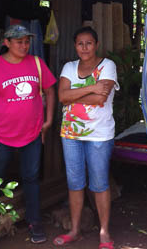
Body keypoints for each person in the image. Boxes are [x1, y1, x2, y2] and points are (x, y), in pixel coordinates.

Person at [0, 24, 56, 244]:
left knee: (31, 177)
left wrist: (48, 120)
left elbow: (50, 89)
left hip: (32, 133)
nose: (24, 45)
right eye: (19, 41)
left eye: (27, 41)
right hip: (1, 136)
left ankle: (34, 221)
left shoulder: (37, 63)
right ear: (6, 43)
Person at [53, 26, 119, 249]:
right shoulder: (69, 67)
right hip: (71, 134)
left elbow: (100, 99)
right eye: (80, 44)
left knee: (99, 183)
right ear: (75, 46)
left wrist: (76, 95)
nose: (84, 48)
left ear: (96, 44)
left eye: (89, 43)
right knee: (75, 183)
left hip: (99, 134)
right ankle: (74, 230)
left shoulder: (108, 66)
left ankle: (104, 232)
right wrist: (91, 87)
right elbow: (62, 96)